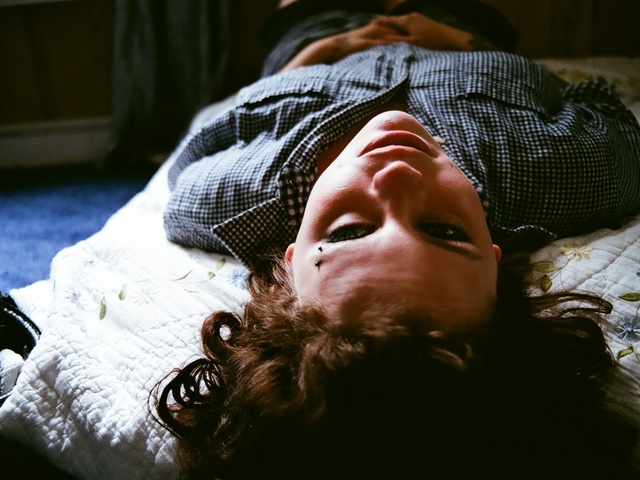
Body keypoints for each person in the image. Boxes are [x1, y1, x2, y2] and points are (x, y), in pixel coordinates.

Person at [155, 1, 640, 478]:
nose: (396, 177)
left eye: (349, 232)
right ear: (495, 260)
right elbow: (602, 107)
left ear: (291, 259)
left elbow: (198, 147)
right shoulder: (564, 173)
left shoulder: (231, 199)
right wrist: (463, 41)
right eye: (444, 231)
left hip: (317, 25)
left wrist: (327, 48)